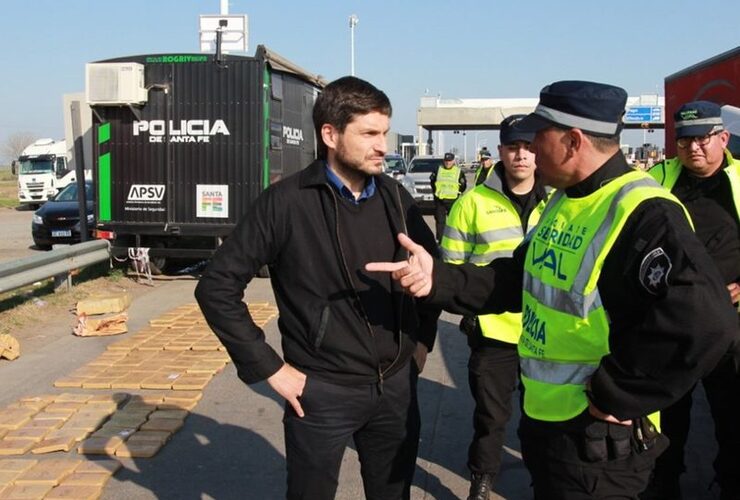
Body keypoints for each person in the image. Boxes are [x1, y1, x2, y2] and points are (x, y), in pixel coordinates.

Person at [366, 80, 739, 499]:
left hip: (599, 442)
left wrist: (620, 392)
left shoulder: (645, 212)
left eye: (538, 137)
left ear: (573, 141)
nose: (529, 150)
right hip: (549, 425)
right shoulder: (566, 200)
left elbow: (708, 321)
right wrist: (437, 278)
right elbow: (516, 278)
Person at [195, 76, 440, 500]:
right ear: (330, 133)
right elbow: (216, 287)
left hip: (396, 387)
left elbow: (434, 274)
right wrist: (270, 368)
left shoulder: (397, 199)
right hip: (320, 392)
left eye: (384, 132)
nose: (383, 145)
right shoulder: (286, 202)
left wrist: (419, 347)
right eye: (369, 134)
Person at [441, 114, 548, 500]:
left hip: (547, 333)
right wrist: (468, 315)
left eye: (529, 147)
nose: (521, 155)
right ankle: (483, 478)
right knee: (491, 416)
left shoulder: (559, 202)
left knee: (544, 418)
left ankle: (545, 478)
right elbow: (451, 267)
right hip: (494, 331)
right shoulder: (472, 202)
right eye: (513, 147)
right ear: (501, 151)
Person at [642, 100, 740, 500]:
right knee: (667, 421)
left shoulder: (738, 182)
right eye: (684, 140)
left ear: (723, 138)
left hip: (727, 323)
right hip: (670, 320)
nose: (692, 148)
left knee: (732, 417)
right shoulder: (657, 179)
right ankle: (664, 487)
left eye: (701, 139)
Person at [430, 152, 466, 242]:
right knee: (440, 221)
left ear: (453, 161)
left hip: (453, 200)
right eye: (446, 161)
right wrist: (436, 193)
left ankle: (454, 239)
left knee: (454, 221)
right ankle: (440, 241)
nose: (448, 163)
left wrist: (458, 193)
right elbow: (432, 182)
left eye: (449, 161)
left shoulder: (458, 171)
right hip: (440, 199)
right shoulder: (438, 170)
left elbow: (463, 185)